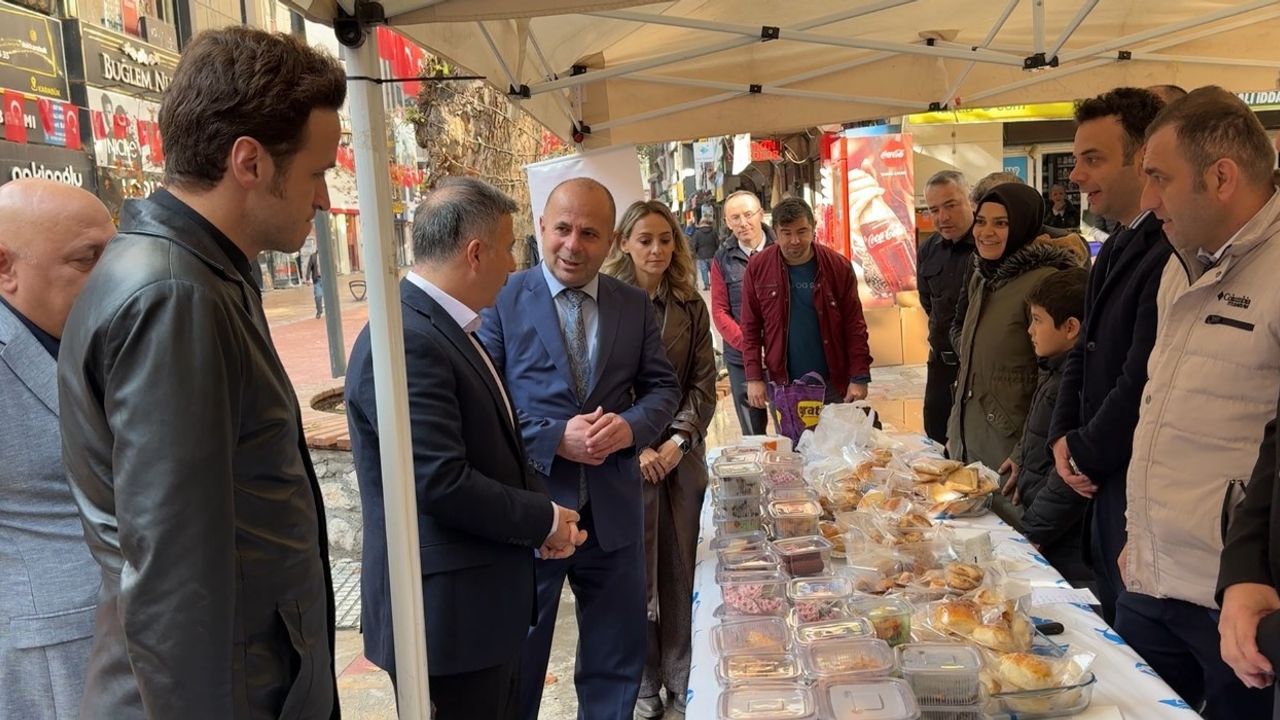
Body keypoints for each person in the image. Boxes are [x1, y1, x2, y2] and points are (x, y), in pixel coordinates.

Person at [57, 28, 345, 719]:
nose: (325, 200)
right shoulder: (174, 294)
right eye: (317, 173)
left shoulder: (197, 274)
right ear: (249, 161)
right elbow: (174, 577)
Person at [346, 178, 586, 720]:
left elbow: (489, 447)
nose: (514, 264)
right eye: (508, 248)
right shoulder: (410, 338)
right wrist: (542, 520)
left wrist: (538, 520)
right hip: (447, 623)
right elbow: (440, 481)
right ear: (475, 253)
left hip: (475, 613)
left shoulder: (445, 327)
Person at [478, 178, 681, 720]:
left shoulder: (632, 305)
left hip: (613, 516)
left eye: (589, 233)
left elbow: (663, 389)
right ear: (541, 227)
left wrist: (630, 428)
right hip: (532, 516)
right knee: (518, 664)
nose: (573, 245)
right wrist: (553, 438)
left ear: (611, 241)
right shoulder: (502, 298)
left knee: (615, 664)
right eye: (562, 229)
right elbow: (482, 404)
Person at [1114, 85, 1280, 719]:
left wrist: (1252, 575)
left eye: (1159, 177)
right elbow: (1160, 407)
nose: (1147, 199)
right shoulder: (1178, 265)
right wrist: (1140, 531)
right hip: (1150, 577)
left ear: (1221, 177)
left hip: (1235, 601)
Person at [1047, 87, 1171, 624]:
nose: (1076, 175)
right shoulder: (1116, 242)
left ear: (1142, 159)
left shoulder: (1168, 249)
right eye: (1077, 160)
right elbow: (1083, 353)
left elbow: (1142, 377)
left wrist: (1083, 451)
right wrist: (1062, 436)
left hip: (1133, 481)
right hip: (1100, 479)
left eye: (1093, 159)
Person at [0, 179, 114, 720]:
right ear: (5, 267)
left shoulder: (100, 333)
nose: (112, 274)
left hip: (143, 629)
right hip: (54, 654)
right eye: (87, 259)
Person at [601, 201, 716, 718]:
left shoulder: (690, 304)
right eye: (645, 239)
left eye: (665, 239)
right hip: (624, 457)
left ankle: (681, 673)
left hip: (680, 456)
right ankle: (644, 680)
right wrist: (637, 443)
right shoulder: (604, 303)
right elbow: (600, 387)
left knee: (681, 567)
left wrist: (678, 441)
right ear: (624, 243)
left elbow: (703, 383)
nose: (656, 250)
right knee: (634, 573)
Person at [946, 183, 1079, 519]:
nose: (986, 232)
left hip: (1011, 450)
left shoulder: (1043, 282)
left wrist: (1025, 453)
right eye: (981, 221)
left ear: (1022, 225)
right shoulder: (982, 276)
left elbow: (1056, 378)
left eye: (1001, 223)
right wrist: (955, 431)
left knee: (1009, 538)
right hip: (971, 438)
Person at [740, 196, 872, 409]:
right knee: (788, 433)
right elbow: (750, 328)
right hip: (783, 383)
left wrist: (859, 376)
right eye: (786, 233)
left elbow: (854, 325)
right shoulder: (758, 267)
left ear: (813, 228)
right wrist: (754, 377)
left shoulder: (838, 267)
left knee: (836, 432)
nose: (795, 240)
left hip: (833, 382)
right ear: (775, 232)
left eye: (802, 231)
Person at [1010, 267, 1093, 585]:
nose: (1030, 330)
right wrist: (1020, 457)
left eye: (1037, 320)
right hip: (1048, 527)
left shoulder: (1077, 385)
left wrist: (1034, 531)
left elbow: (1069, 476)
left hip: (1065, 541)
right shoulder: (1055, 370)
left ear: (1070, 327)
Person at [917, 170, 976, 446]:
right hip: (941, 365)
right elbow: (928, 303)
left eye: (951, 205)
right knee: (936, 440)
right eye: (934, 210)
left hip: (977, 368)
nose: (942, 217)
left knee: (975, 446)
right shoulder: (928, 250)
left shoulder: (988, 246)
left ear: (970, 200)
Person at [710, 190, 773, 435]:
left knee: (792, 426)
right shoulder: (722, 259)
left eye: (748, 214)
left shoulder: (782, 249)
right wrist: (750, 347)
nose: (743, 223)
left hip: (784, 356)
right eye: (735, 218)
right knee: (753, 434)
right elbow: (719, 311)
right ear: (727, 222)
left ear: (761, 214)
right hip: (741, 360)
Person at [690, 215, 718, 291]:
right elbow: (717, 243)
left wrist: (694, 253)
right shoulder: (713, 232)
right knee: (713, 271)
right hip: (712, 254)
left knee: (704, 271)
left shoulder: (697, 233)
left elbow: (694, 244)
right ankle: (714, 284)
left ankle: (707, 285)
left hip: (701, 255)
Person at [305, 246, 324, 318]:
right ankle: (319, 311)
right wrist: (307, 278)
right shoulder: (313, 256)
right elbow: (309, 267)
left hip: (326, 280)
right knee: (318, 296)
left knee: (330, 297)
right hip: (317, 279)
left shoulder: (326, 255)